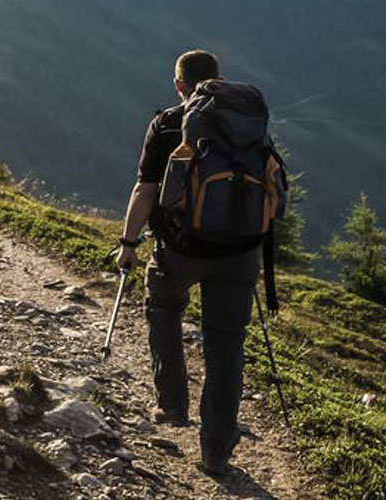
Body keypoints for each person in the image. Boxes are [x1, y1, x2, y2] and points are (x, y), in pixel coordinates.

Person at [116, 50, 265, 476]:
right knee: (227, 343)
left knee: (163, 306)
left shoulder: (166, 124)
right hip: (239, 253)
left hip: (181, 249)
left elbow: (145, 191)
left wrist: (128, 243)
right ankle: (216, 451)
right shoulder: (249, 124)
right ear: (217, 81)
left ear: (179, 85)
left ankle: (173, 405)